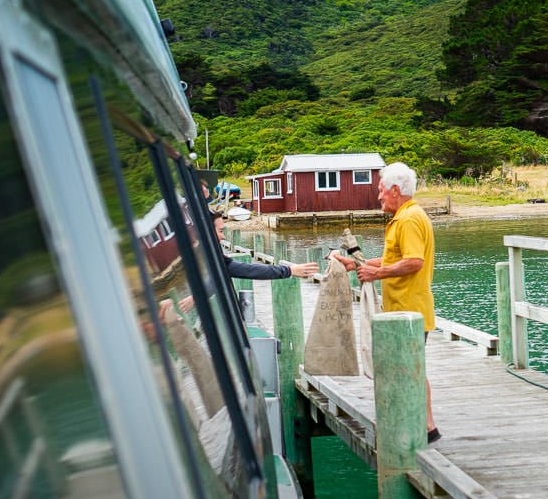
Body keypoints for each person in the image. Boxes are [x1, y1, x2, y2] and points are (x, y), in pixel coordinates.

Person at [330, 162, 440, 444]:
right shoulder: (407, 216)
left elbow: (415, 262)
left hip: (409, 311)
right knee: (408, 367)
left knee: (407, 368)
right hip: (403, 309)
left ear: (394, 190)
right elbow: (396, 260)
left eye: (380, 191)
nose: (378, 197)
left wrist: (378, 273)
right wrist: (357, 265)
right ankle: (425, 427)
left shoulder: (408, 219)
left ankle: (422, 428)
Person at [161, 210, 318, 321]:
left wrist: (197, 296)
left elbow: (216, 276)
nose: (223, 237)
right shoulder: (209, 258)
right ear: (207, 232)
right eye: (221, 231)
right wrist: (289, 270)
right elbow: (248, 270)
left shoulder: (199, 255)